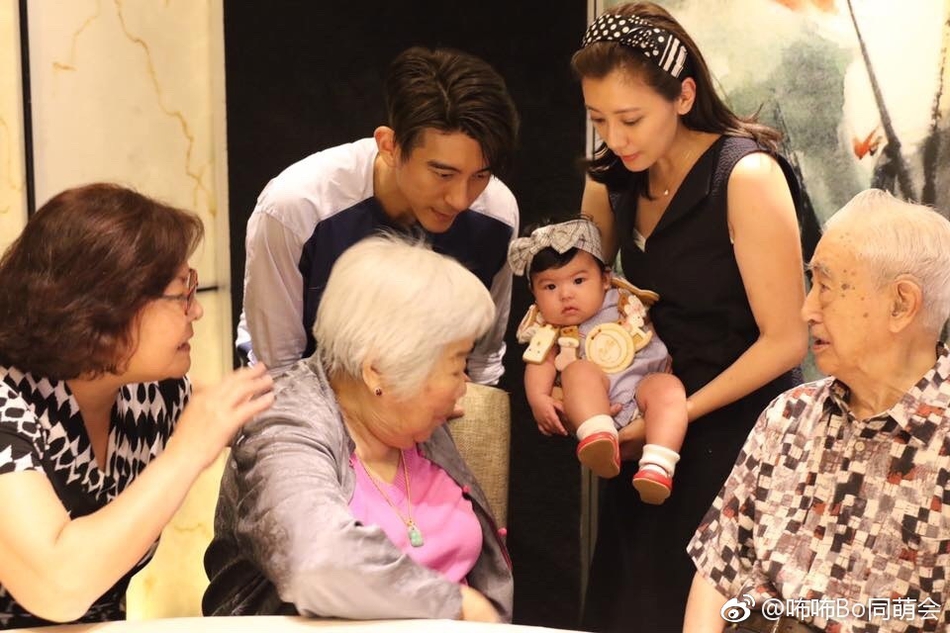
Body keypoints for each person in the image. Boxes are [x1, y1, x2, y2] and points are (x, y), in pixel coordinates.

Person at [571, 3, 809, 631]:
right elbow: (586, 303)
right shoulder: (612, 180)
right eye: (599, 120)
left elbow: (787, 340)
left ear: (683, 95)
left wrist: (674, 416)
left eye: (631, 119)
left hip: (739, 428)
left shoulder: (745, 175)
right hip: (650, 423)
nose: (616, 139)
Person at [0, 183, 274, 628]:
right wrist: (186, 452)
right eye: (182, 293)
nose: (196, 311)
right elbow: (57, 586)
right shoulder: (7, 404)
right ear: (107, 306)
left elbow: (252, 418)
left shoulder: (148, 394)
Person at [203, 235, 512, 622]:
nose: (463, 385)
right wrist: (456, 605)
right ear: (378, 370)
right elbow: (318, 562)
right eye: (456, 364)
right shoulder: (283, 422)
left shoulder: (408, 420)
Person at [685, 189, 950, 633]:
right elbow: (717, 573)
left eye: (825, 287)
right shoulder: (788, 416)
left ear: (901, 304)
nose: (807, 310)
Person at [237, 45, 520, 384]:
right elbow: (279, 367)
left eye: (480, 175)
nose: (460, 200)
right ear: (390, 146)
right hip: (309, 395)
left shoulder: (497, 214)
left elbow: (483, 360)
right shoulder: (296, 208)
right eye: (443, 174)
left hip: (439, 398)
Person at [508, 217, 687, 504]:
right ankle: (599, 439)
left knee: (669, 388)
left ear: (605, 279)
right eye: (550, 287)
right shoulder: (548, 327)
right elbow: (538, 362)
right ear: (533, 292)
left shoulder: (624, 301)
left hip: (642, 389)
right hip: (594, 406)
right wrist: (539, 399)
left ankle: (658, 464)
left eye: (579, 281)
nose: (566, 294)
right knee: (578, 370)